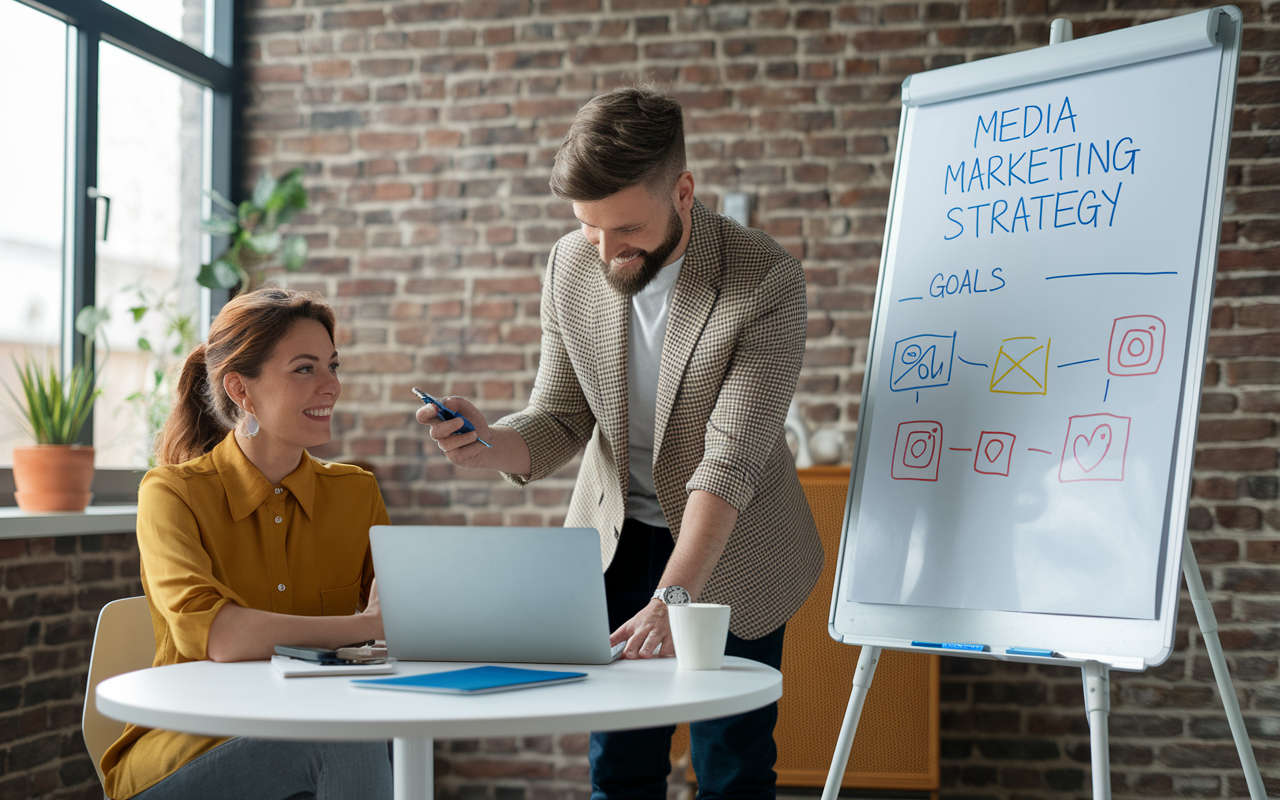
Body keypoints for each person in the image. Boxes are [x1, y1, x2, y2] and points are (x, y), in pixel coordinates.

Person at [416, 85, 824, 800]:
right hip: (617, 540)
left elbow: (728, 460)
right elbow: (560, 418)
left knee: (731, 761)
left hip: (731, 549)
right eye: (588, 227)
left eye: (625, 229)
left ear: (684, 193)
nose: (605, 250)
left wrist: (676, 594)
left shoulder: (765, 279)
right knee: (621, 764)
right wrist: (489, 443)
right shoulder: (572, 264)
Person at [100, 288, 393, 800]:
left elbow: (405, 621)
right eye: (305, 369)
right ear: (241, 390)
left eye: (333, 365)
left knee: (367, 737)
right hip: (187, 747)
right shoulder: (171, 494)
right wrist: (362, 627)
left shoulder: (356, 492)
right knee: (344, 739)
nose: (332, 386)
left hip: (309, 732)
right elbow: (220, 637)